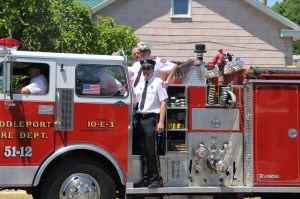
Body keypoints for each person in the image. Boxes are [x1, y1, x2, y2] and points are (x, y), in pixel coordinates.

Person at [133, 59, 168, 188]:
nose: (146, 71)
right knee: (142, 150)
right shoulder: (140, 84)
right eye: (144, 69)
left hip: (151, 119)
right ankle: (146, 178)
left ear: (153, 69)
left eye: (148, 68)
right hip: (140, 118)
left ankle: (157, 179)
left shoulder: (158, 82)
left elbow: (163, 102)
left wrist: (161, 122)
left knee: (151, 150)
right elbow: (135, 101)